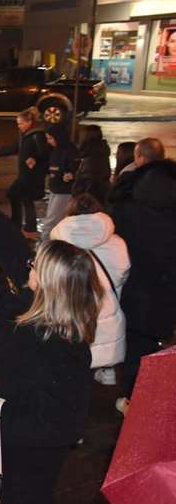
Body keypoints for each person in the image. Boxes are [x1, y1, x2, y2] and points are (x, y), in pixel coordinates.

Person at [0, 174, 102, 504]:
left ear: (47, 286)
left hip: (26, 466)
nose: (28, 266)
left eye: (35, 266)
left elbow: (62, 427)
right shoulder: (42, 303)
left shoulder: (63, 350)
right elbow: (16, 254)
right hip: (3, 445)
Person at [108, 137, 176, 415]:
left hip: (135, 284)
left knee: (134, 342)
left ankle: (132, 399)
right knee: (159, 339)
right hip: (168, 285)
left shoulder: (127, 196)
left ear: (139, 158)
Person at [51, 193, 130, 386]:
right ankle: (108, 375)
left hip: (74, 313)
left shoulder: (59, 247)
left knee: (77, 366)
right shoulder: (118, 243)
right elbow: (122, 274)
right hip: (108, 310)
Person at [0, 108, 49, 236]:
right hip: (25, 174)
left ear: (29, 122)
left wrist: (35, 160)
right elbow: (16, 147)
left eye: (21, 123)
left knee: (20, 196)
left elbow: (45, 154)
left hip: (31, 175)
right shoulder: (27, 135)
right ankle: (25, 226)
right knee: (22, 197)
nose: (19, 126)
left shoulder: (36, 136)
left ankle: (26, 226)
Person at [40, 123, 78, 242]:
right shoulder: (55, 150)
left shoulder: (70, 150)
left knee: (51, 220)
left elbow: (76, 168)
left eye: (50, 138)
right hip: (55, 189)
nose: (48, 141)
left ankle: (45, 245)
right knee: (53, 218)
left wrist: (70, 174)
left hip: (64, 191)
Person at [75, 125, 111, 204]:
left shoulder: (90, 155)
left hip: (89, 197)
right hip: (101, 193)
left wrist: (78, 194)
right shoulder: (101, 151)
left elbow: (87, 178)